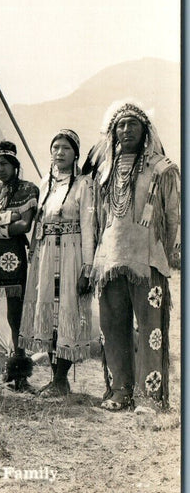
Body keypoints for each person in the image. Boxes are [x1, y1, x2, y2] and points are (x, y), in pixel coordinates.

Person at [89, 101, 180, 412]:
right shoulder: (103, 172)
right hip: (110, 260)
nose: (126, 130)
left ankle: (150, 398)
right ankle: (119, 390)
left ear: (145, 131)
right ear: (113, 131)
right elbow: (97, 220)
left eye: (133, 125)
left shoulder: (162, 169)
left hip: (148, 261)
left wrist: (167, 256)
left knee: (150, 330)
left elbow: (173, 218)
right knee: (113, 329)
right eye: (121, 125)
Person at [19, 130, 95, 396]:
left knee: (66, 314)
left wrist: (87, 268)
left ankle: (62, 379)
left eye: (65, 148)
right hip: (46, 256)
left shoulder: (84, 184)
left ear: (76, 154)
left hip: (72, 255)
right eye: (55, 148)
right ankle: (55, 378)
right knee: (49, 313)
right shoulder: (45, 183)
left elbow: (88, 228)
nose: (59, 153)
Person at [0, 141, 39, 391]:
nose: (0, 169)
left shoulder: (27, 189)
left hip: (13, 256)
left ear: (14, 165)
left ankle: (18, 374)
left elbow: (25, 225)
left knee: (16, 315)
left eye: (4, 164)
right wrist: (9, 218)